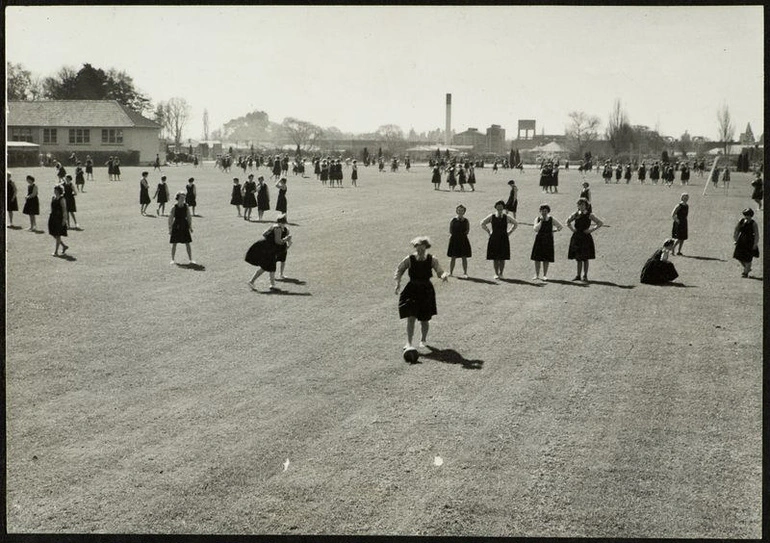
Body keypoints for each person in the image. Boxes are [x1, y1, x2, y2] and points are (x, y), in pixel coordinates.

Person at [394, 236, 449, 351]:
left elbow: (440, 271)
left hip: (426, 290)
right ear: (415, 248)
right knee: (411, 317)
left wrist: (443, 276)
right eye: (418, 249)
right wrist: (397, 283)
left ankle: (423, 340)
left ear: (426, 248)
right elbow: (400, 269)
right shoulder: (409, 259)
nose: (420, 251)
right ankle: (409, 343)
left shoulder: (432, 259)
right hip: (412, 290)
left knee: (424, 319)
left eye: (422, 249)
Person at [245, 215, 292, 290]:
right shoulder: (278, 229)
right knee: (268, 266)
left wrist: (270, 238)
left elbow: (264, 234)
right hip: (269, 249)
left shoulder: (273, 226)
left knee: (268, 266)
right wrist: (286, 239)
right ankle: (255, 282)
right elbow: (278, 241)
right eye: (284, 223)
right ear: (281, 222)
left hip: (265, 247)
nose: (284, 225)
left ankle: (270, 284)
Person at [566, 197, 603, 281]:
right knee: (578, 257)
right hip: (577, 237)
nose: (581, 206)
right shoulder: (575, 214)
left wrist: (590, 230)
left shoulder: (590, 215)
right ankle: (578, 275)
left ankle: (585, 275)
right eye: (579, 204)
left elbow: (600, 223)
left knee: (585, 257)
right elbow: (567, 222)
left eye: (583, 204)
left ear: (586, 206)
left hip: (586, 237)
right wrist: (572, 229)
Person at [481, 200, 518, 280]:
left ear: (503, 208)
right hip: (494, 238)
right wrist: (488, 231)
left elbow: (515, 223)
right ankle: (496, 273)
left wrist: (509, 232)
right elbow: (482, 223)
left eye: (501, 207)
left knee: (502, 257)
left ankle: (501, 273)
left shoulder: (507, 217)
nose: (499, 209)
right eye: (498, 207)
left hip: (503, 238)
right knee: (495, 257)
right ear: (496, 207)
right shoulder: (492, 216)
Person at [531, 204, 564, 281]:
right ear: (540, 211)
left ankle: (545, 275)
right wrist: (541, 222)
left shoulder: (551, 219)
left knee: (546, 258)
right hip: (539, 239)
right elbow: (535, 229)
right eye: (542, 211)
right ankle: (537, 275)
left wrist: (553, 231)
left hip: (548, 240)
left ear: (548, 211)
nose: (544, 212)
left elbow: (560, 226)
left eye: (545, 211)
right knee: (537, 258)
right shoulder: (537, 219)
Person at [168, 191, 194, 265]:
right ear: (178, 198)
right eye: (181, 198)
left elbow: (189, 217)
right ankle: (172, 260)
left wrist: (190, 227)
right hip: (176, 225)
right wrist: (170, 229)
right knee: (174, 243)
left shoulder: (186, 206)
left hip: (184, 225)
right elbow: (170, 219)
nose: (183, 199)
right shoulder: (174, 207)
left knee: (187, 243)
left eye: (184, 198)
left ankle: (191, 259)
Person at [732, 208, 759, 277]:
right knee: (738, 256)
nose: (746, 217)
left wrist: (755, 244)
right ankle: (747, 268)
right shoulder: (741, 221)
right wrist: (735, 239)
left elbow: (756, 234)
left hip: (750, 242)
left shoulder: (753, 223)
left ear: (751, 216)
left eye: (748, 215)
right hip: (741, 240)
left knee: (748, 258)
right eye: (745, 215)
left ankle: (745, 272)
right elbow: (736, 230)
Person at [447, 204, 472, 278]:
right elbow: (450, 230)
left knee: (464, 257)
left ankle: (465, 273)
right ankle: (451, 272)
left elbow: (467, 230)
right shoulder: (453, 220)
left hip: (463, 240)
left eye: (462, 210)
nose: (460, 212)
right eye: (459, 210)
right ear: (456, 211)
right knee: (453, 257)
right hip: (454, 240)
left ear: (464, 212)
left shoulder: (466, 221)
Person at [48, 184, 69, 256]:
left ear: (59, 191)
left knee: (58, 235)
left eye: (56, 190)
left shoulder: (62, 199)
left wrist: (64, 220)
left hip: (59, 218)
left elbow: (64, 210)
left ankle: (56, 252)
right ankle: (64, 246)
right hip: (53, 217)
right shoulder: (53, 198)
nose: (55, 191)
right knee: (54, 234)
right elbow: (52, 207)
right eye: (54, 190)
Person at [274, 214, 291, 279]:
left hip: (283, 247)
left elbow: (289, 238)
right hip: (276, 247)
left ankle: (281, 274)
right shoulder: (276, 229)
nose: (280, 224)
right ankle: (273, 275)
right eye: (279, 223)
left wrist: (288, 245)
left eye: (282, 223)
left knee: (283, 261)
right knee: (274, 262)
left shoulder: (286, 229)